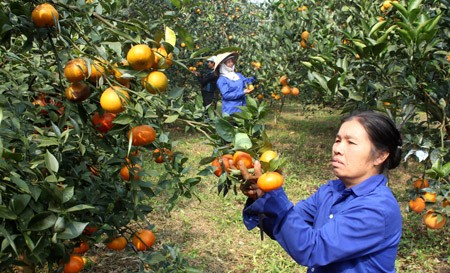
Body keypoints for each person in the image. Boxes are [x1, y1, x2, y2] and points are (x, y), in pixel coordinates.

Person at [237, 111, 403, 273]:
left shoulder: (377, 209)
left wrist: (273, 195)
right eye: (337, 140)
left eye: (351, 143)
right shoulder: (332, 190)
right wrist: (262, 195)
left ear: (380, 156)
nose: (338, 149)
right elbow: (288, 226)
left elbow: (313, 249)